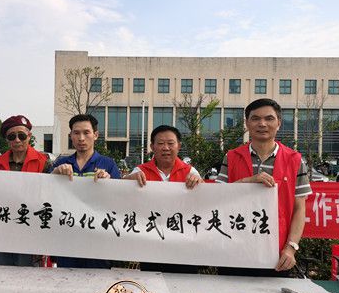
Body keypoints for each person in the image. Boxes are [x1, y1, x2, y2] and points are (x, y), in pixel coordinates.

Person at [216, 98, 312, 276]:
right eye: (255, 118)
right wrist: (247, 182)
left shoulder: (295, 160)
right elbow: (218, 198)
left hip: (276, 255)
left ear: (279, 123)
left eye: (269, 118)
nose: (262, 124)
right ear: (247, 123)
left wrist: (291, 248)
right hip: (233, 250)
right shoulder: (231, 157)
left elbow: (299, 209)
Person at [123, 124, 203, 273]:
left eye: (170, 143)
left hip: (183, 246)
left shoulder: (190, 172)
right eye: (160, 143)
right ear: (152, 147)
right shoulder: (140, 171)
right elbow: (118, 194)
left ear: (179, 146)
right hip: (151, 245)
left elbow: (206, 200)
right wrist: (128, 180)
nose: (165, 148)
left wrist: (200, 183)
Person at [52, 114, 121, 268]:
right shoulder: (61, 163)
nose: (81, 138)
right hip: (67, 237)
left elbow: (119, 200)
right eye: (76, 133)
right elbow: (46, 194)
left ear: (95, 135)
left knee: (98, 281)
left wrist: (109, 183)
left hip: (98, 239)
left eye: (86, 132)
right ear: (70, 136)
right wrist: (55, 174)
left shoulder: (108, 164)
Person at [0, 115, 51, 266]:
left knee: (28, 274)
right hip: (4, 228)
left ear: (29, 136)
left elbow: (49, 198)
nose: (17, 140)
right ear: (7, 139)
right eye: (12, 136)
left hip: (31, 229)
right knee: (3, 272)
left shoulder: (44, 161)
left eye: (21, 136)